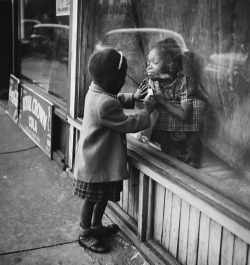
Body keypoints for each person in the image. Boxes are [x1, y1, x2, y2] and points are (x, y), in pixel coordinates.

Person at [73, 48, 155, 253]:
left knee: (101, 197)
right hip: (96, 163)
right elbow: (127, 123)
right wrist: (147, 111)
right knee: (92, 199)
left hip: (98, 161)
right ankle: (85, 233)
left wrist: (133, 96)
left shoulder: (96, 90)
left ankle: (96, 226)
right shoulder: (105, 104)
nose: (124, 80)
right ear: (111, 78)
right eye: (122, 77)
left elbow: (113, 98)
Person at [143, 38, 209, 168]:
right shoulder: (153, 82)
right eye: (148, 62)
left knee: (196, 107)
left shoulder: (184, 83)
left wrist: (162, 101)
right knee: (159, 146)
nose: (149, 66)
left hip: (187, 126)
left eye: (155, 62)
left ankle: (191, 155)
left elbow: (185, 115)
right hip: (168, 127)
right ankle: (174, 154)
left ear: (172, 66)